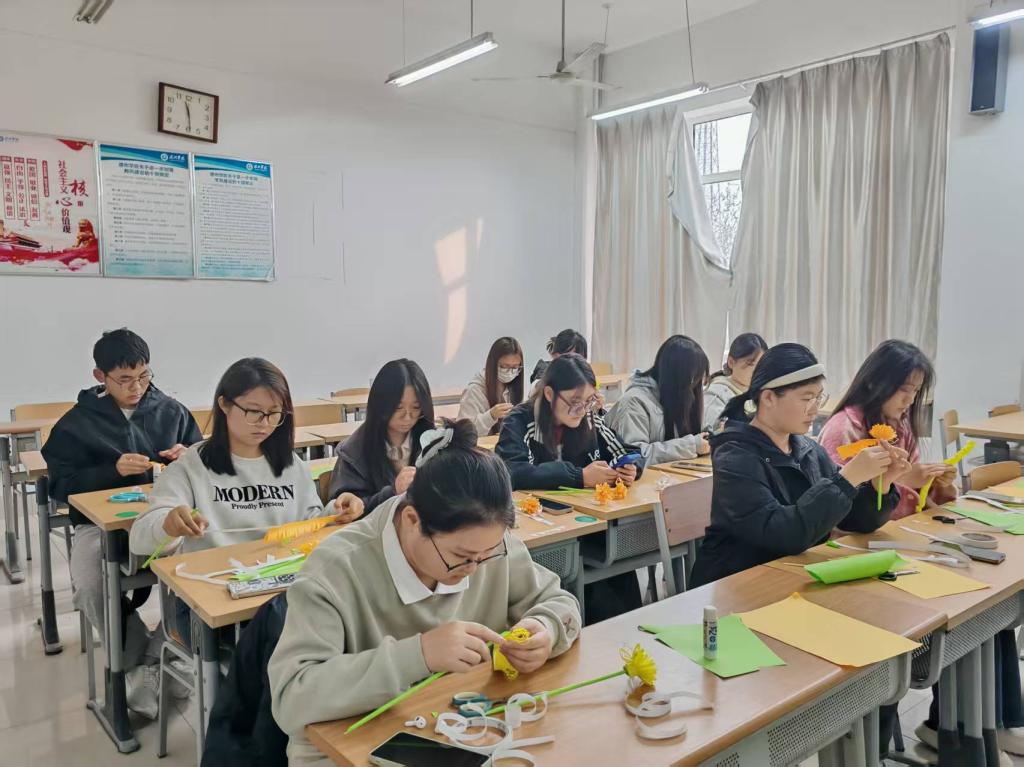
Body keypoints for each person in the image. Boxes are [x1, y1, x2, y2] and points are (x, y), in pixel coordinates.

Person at [268, 420, 582, 765]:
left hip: (457, 732)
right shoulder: (336, 570)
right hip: (349, 751)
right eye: (461, 557)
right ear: (412, 520)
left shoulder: (488, 545)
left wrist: (547, 629)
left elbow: (559, 602)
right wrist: (419, 655)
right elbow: (292, 699)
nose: (476, 568)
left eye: (486, 555)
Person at [130, 358, 362, 659]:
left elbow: (307, 525)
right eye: (253, 412)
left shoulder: (291, 465)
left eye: (274, 413)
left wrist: (335, 513)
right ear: (224, 404)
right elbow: (139, 539)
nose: (264, 423)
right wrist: (168, 524)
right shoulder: (192, 466)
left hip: (281, 594)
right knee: (289, 652)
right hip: (212, 609)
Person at [42, 328, 202, 720]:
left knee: (199, 568)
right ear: (101, 376)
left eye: (144, 376)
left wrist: (190, 456)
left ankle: (169, 649)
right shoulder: (76, 424)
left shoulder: (172, 411)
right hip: (99, 527)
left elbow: (204, 462)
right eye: (125, 379)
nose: (137, 388)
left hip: (165, 519)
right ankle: (137, 659)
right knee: (89, 582)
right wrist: (110, 470)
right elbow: (61, 485)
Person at [689, 343, 908, 588]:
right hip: (734, 585)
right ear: (769, 397)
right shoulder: (735, 456)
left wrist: (881, 484)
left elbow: (857, 521)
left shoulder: (808, 450)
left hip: (790, 576)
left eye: (818, 397)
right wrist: (847, 479)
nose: (815, 409)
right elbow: (783, 535)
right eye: (806, 398)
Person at [497, 353, 643, 622]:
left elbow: (627, 450)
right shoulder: (520, 420)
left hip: (587, 526)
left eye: (588, 401)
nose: (582, 409)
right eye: (575, 402)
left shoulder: (589, 418)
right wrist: (579, 477)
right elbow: (512, 471)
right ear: (549, 394)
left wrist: (630, 467)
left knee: (618, 573)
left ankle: (623, 627)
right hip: (540, 532)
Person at [819, 340, 955, 519]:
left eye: (916, 391)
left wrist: (934, 482)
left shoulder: (901, 426)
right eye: (904, 389)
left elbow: (915, 494)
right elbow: (836, 500)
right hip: (858, 532)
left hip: (900, 526)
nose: (911, 400)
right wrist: (902, 478)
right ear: (872, 383)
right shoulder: (843, 429)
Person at [327, 358, 435, 515]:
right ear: (381, 404)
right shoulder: (354, 452)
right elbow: (345, 512)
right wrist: (393, 492)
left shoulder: (433, 443)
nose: (407, 416)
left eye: (416, 407)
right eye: (398, 408)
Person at [607, 335, 711, 464]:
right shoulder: (634, 402)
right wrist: (692, 446)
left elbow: (696, 433)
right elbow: (634, 457)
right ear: (677, 378)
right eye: (693, 381)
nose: (694, 388)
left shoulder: (679, 397)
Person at [458, 336, 524, 437]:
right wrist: (491, 416)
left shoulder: (513, 387)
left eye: (515, 367)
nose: (510, 372)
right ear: (492, 364)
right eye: (504, 366)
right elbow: (463, 434)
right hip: (481, 446)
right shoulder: (474, 390)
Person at [703, 332, 768, 431]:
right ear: (731, 362)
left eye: (761, 365)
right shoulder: (716, 395)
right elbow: (710, 435)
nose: (756, 371)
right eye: (750, 364)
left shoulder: (761, 393)